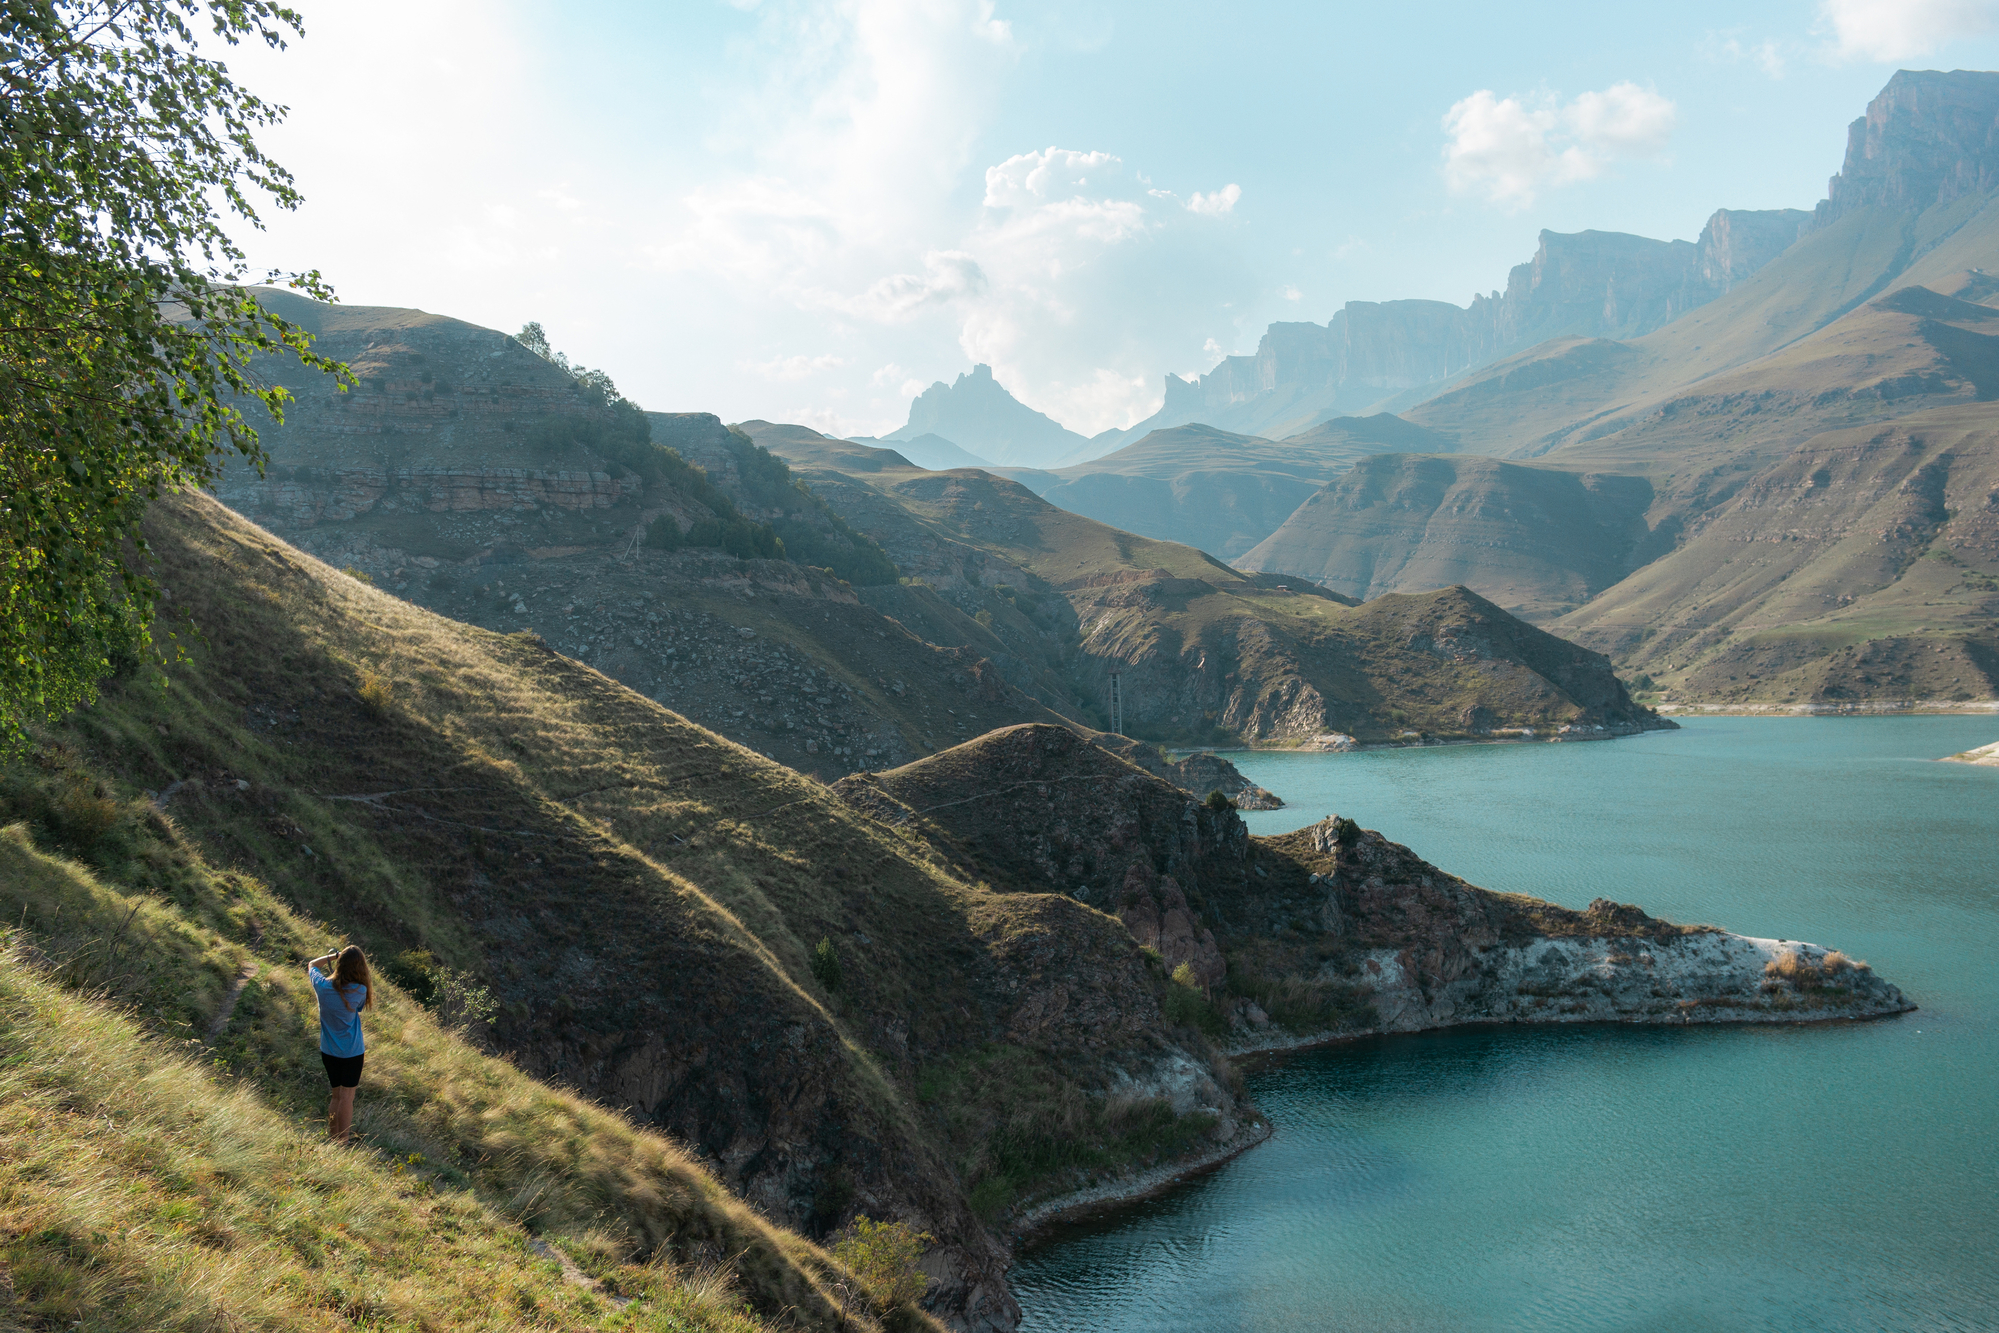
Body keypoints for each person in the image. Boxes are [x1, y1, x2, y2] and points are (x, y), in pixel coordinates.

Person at [308, 944, 372, 1143]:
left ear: (340, 964)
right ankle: (342, 1141)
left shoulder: (322, 986)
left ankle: (334, 1137)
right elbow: (358, 1008)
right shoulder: (360, 990)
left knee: (336, 1096)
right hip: (352, 1052)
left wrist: (335, 956)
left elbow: (311, 964)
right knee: (347, 1098)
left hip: (328, 1051)